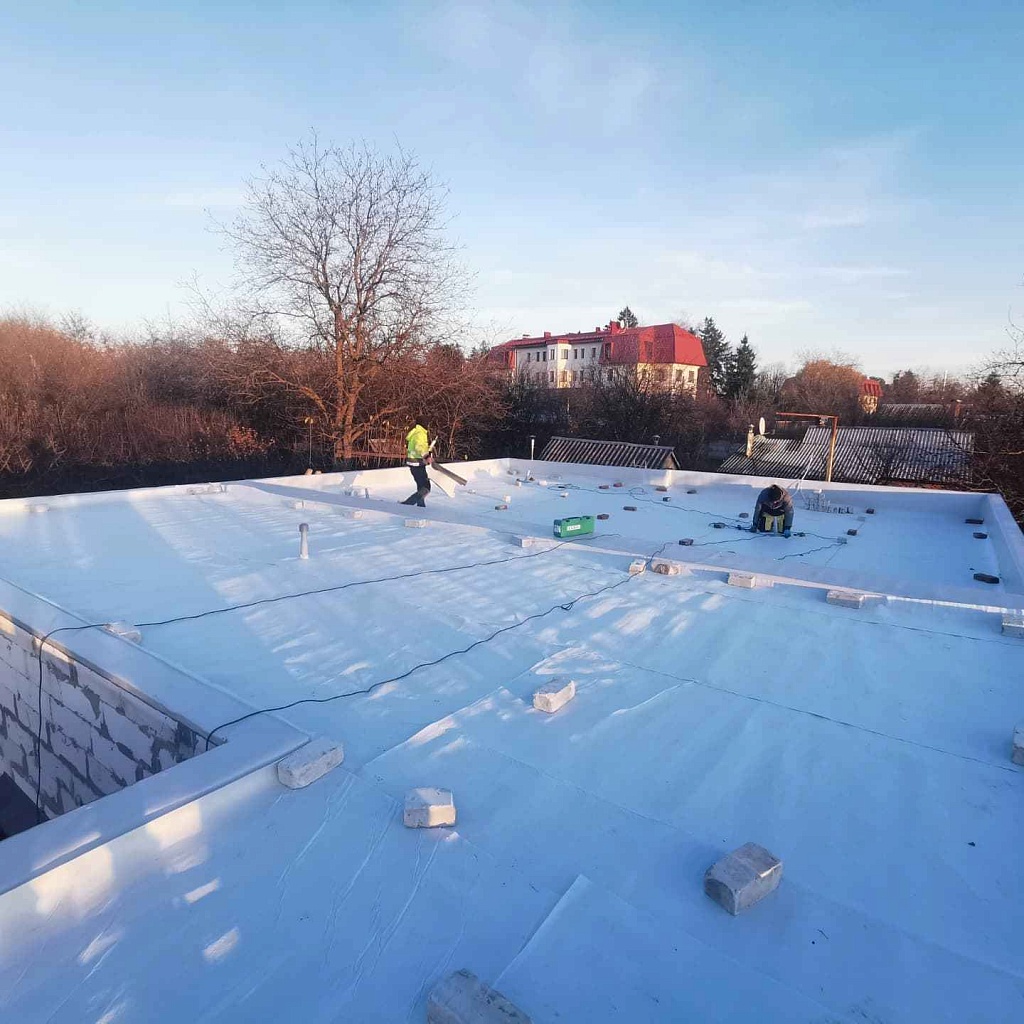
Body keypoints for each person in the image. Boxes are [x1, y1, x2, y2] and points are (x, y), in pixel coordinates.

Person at [400, 419, 432, 506]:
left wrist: (428, 451)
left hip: (414, 462)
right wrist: (426, 456)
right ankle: (408, 503)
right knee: (426, 487)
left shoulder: (416, 432)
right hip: (417, 462)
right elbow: (418, 447)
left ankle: (420, 506)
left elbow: (418, 447)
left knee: (421, 486)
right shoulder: (420, 433)